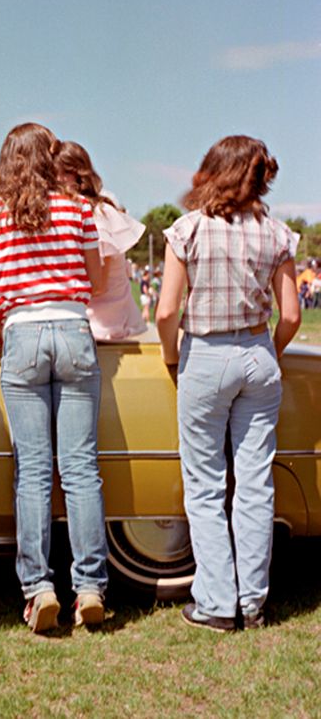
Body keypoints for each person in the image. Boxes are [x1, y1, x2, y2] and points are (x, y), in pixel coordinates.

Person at [156, 135, 300, 632]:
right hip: (258, 353)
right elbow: (292, 315)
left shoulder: (188, 230)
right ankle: (254, 602)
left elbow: (167, 309)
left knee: (205, 484)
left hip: (206, 354)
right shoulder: (277, 233)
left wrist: (172, 358)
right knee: (255, 481)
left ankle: (216, 602)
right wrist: (267, 352)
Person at [0, 123, 108, 632]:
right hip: (73, 328)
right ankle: (90, 585)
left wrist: (0, 318)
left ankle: (39, 589)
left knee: (32, 470)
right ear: (50, 159)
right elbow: (97, 278)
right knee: (80, 468)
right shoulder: (77, 210)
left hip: (21, 332)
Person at [53, 141, 147, 340]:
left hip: (102, 326)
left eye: (65, 172)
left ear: (80, 175)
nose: (58, 179)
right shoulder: (87, 211)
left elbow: (99, 286)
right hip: (99, 323)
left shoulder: (98, 215)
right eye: (53, 173)